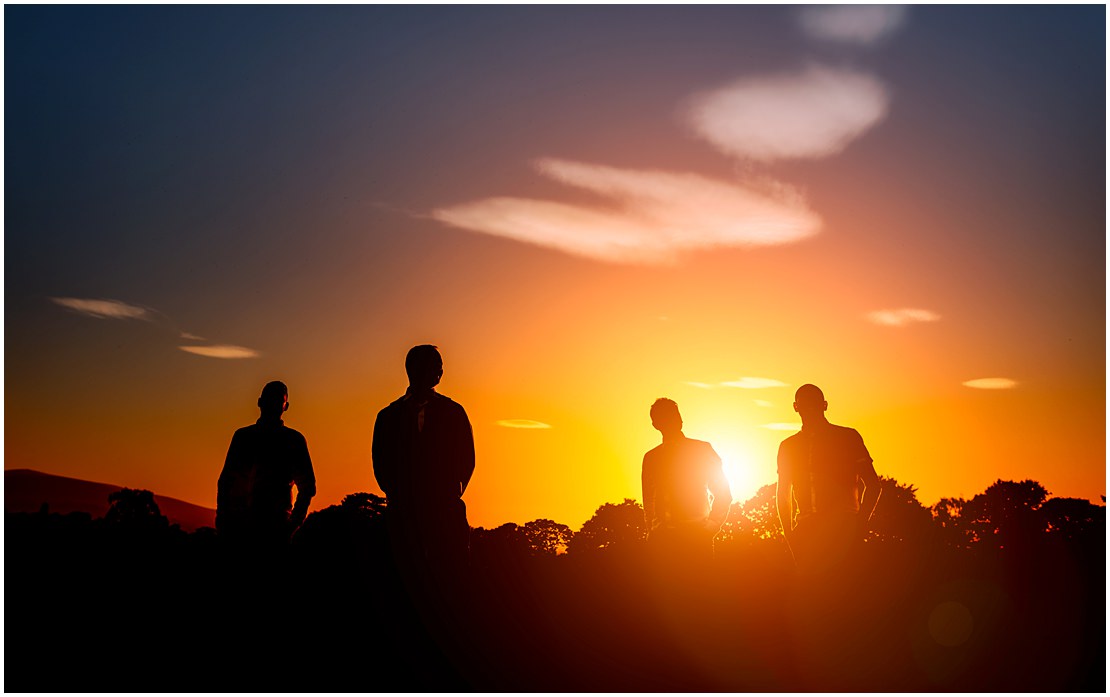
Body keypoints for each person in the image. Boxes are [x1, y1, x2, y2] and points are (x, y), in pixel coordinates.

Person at [373, 344, 475, 581]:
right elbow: (380, 461)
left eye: (440, 366)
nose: (440, 371)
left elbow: (467, 459)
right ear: (413, 369)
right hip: (403, 511)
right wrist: (397, 493)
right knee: (402, 577)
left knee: (451, 577)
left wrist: (453, 492)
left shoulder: (454, 412)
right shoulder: (388, 416)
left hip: (445, 509)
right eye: (434, 365)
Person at [776, 383, 882, 575]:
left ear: (824, 405)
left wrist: (858, 527)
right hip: (806, 535)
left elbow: (873, 484)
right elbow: (783, 494)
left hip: (844, 531)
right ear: (795, 407)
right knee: (813, 598)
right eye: (804, 404)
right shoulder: (788, 446)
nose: (809, 409)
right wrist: (791, 536)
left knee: (846, 595)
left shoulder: (848, 437)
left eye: (814, 404)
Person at [216, 380, 317, 549]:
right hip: (241, 528)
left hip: (274, 528)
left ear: (286, 406)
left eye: (278, 400)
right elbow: (226, 481)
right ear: (260, 402)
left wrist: (291, 526)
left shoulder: (293, 441)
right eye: (270, 399)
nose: (273, 404)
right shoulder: (243, 437)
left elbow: (308, 487)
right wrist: (223, 520)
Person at [641, 398, 732, 560]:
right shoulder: (651, 458)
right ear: (656, 424)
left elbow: (723, 493)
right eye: (666, 417)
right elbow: (648, 502)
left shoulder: (702, 450)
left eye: (675, 415)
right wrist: (652, 532)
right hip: (662, 543)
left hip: (697, 540)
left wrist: (711, 527)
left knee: (699, 585)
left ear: (680, 418)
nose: (674, 420)